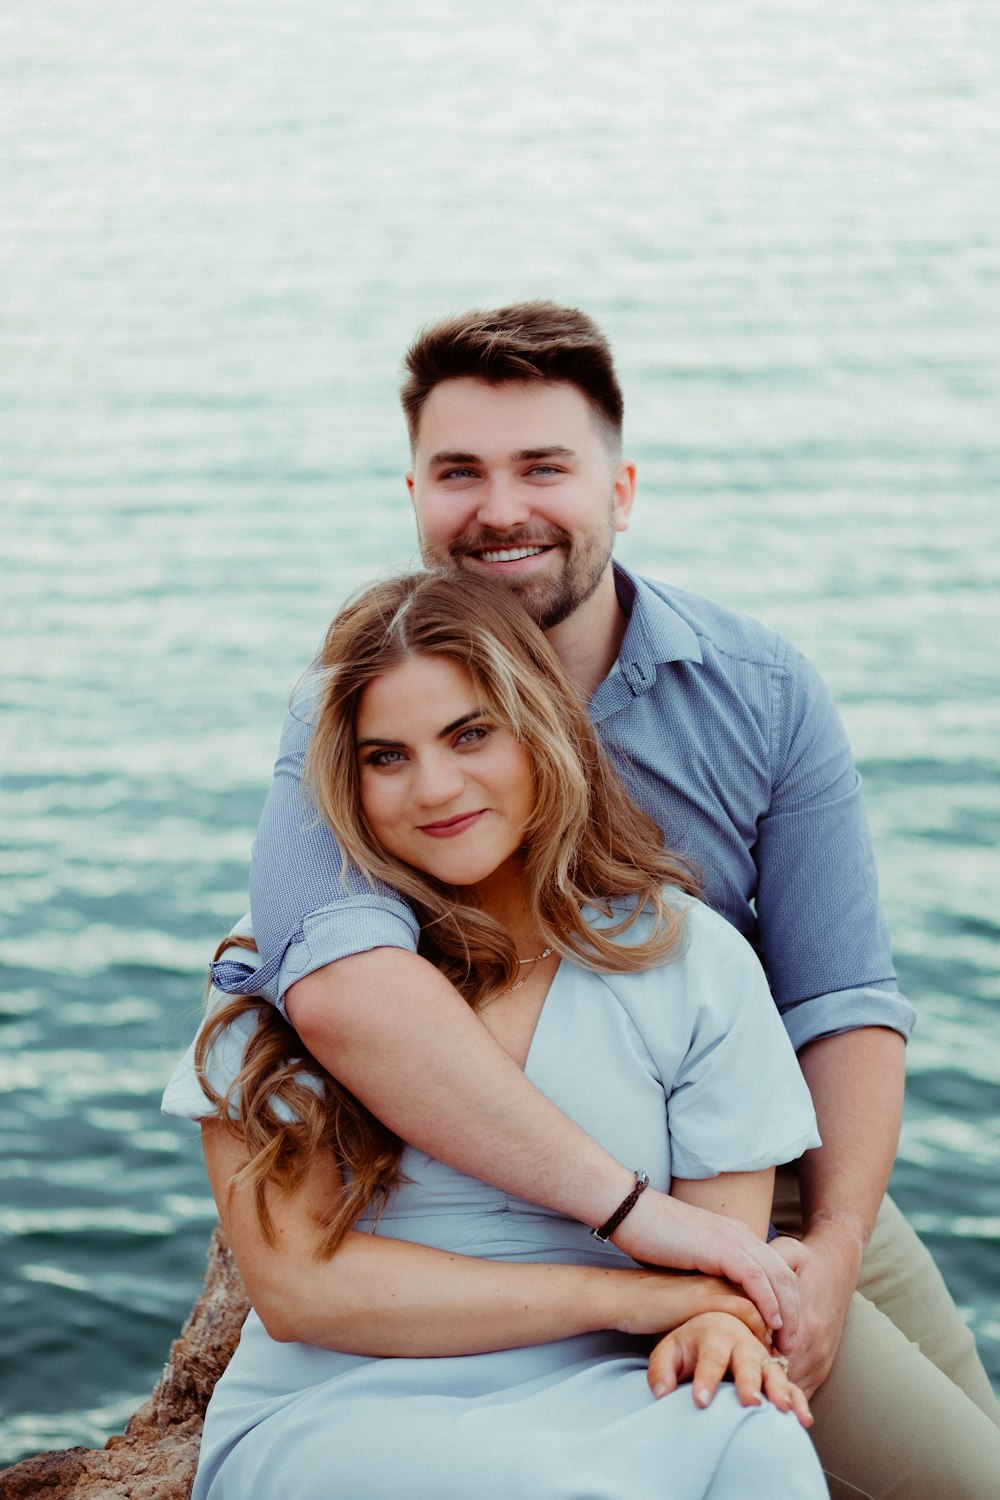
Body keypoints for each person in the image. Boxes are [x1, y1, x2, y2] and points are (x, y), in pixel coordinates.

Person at [209, 303, 1000, 1497]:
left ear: (619, 489)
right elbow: (334, 983)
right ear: (414, 494)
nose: (500, 508)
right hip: (573, 1204)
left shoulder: (762, 690)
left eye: (544, 467)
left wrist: (824, 1253)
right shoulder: (351, 710)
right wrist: (646, 1232)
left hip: (764, 1164)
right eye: (458, 471)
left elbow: (840, 999)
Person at [164, 571, 828, 1500]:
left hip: (617, 1383)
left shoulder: (691, 960)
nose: (434, 789)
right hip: (346, 1400)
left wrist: (711, 1326)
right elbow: (301, 1290)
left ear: (542, 731)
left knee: (762, 1453)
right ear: (341, 781)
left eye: (470, 734)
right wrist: (641, 1297)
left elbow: (719, 1271)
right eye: (384, 757)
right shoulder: (285, 970)